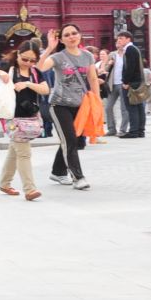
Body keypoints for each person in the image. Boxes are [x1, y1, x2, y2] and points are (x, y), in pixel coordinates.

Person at [0, 41, 49, 200]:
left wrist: (27, 84)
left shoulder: (35, 72)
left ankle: (5, 183)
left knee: (15, 151)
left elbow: (46, 89)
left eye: (32, 60)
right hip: (11, 117)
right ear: (18, 54)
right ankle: (30, 189)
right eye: (25, 59)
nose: (28, 63)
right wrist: (0, 72)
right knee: (24, 153)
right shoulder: (8, 66)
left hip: (30, 118)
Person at [40, 25, 98, 191]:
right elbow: (40, 67)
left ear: (80, 35)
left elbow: (93, 79)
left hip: (81, 105)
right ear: (62, 39)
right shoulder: (58, 57)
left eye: (74, 33)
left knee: (76, 141)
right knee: (70, 140)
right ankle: (78, 177)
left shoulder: (87, 56)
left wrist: (97, 101)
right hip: (59, 105)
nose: (71, 36)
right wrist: (49, 48)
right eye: (67, 35)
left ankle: (57, 171)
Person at [113, 31, 147, 137]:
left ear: (128, 39)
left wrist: (126, 82)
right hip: (137, 82)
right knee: (139, 107)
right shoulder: (134, 49)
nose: (119, 40)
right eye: (118, 38)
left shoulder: (129, 50)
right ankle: (140, 131)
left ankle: (134, 131)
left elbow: (130, 68)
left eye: (121, 38)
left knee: (132, 107)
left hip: (132, 83)